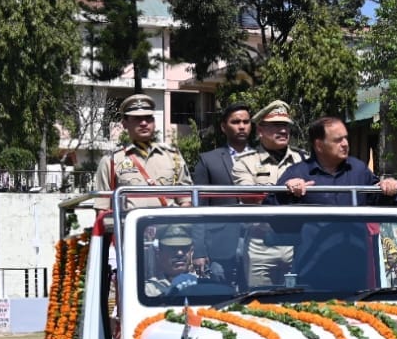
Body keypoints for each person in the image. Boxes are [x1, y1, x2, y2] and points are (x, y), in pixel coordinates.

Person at [232, 101, 309, 289]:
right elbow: (249, 198)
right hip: (261, 245)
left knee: (299, 303)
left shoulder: (304, 160)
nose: (283, 131)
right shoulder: (245, 162)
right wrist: (285, 188)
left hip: (297, 244)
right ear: (260, 130)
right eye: (276, 126)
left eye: (286, 126)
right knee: (259, 302)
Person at [271, 117, 397, 205]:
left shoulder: (359, 170)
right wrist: (287, 192)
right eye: (338, 140)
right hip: (315, 245)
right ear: (319, 145)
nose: (345, 144)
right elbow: (271, 212)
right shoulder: (297, 173)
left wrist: (389, 189)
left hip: (355, 244)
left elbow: (378, 202)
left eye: (345, 138)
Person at [191, 101, 252, 284]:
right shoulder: (209, 160)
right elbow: (199, 208)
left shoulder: (261, 158)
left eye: (246, 122)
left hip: (257, 242)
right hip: (220, 245)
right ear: (224, 127)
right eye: (235, 122)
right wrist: (199, 250)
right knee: (220, 298)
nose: (241, 126)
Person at [93, 93, 191, 203]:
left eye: (148, 118)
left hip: (166, 220)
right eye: (137, 118)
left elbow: (186, 200)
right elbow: (103, 209)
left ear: (154, 122)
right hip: (128, 220)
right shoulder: (111, 161)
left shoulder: (173, 156)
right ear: (124, 124)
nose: (144, 123)